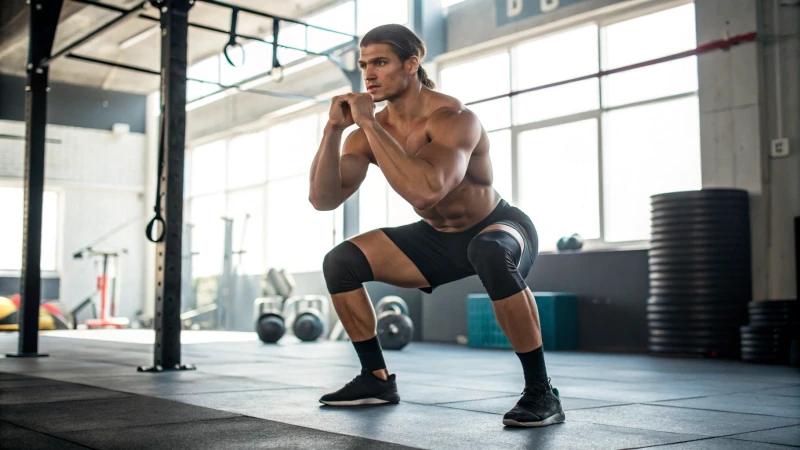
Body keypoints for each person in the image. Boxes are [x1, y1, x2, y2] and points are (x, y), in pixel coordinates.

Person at [308, 24, 564, 428]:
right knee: (341, 261)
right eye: (363, 65)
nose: (369, 74)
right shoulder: (364, 132)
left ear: (412, 64)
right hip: (438, 238)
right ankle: (375, 380)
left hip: (496, 227)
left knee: (489, 252)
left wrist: (369, 125)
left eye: (380, 63)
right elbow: (323, 199)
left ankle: (541, 392)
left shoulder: (452, 118)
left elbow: (426, 193)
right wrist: (335, 129)